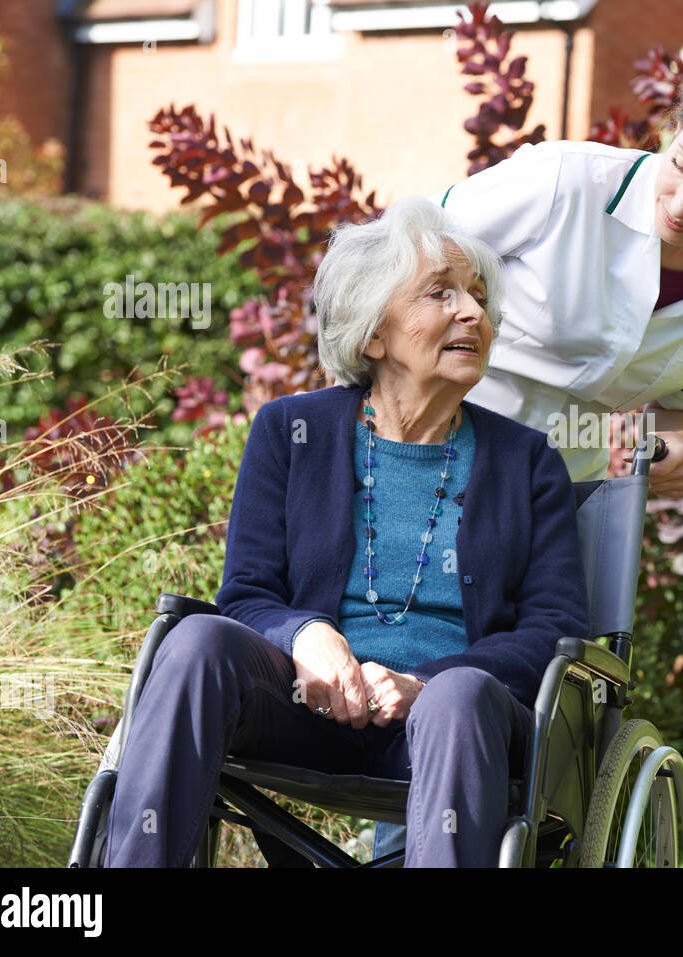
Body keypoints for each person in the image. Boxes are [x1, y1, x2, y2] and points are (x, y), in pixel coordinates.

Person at [102, 198, 590, 867]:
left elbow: (552, 632)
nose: (475, 313)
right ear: (373, 335)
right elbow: (247, 594)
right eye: (440, 293)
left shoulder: (528, 462)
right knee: (196, 642)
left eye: (478, 297)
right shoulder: (290, 432)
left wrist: (430, 681)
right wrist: (306, 634)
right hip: (307, 706)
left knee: (460, 695)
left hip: (451, 728)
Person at [430, 68, 683, 498]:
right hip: (432, 440)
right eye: (680, 166)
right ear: (676, 128)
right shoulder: (566, 179)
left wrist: (678, 444)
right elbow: (402, 257)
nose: (682, 206)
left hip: (564, 485)